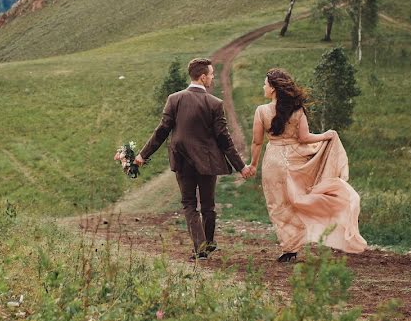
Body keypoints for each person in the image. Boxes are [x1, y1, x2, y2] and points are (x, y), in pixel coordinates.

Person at [136, 58, 253, 260]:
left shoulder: (174, 99)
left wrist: (142, 155)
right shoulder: (215, 103)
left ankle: (201, 247)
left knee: (189, 204)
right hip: (208, 162)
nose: (213, 78)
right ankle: (206, 244)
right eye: (212, 74)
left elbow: (161, 131)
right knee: (208, 205)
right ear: (202, 77)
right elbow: (224, 138)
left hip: (182, 161)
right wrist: (241, 166)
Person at [248, 68, 366, 262]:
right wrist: (326, 135)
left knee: (277, 204)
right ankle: (301, 239)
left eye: (265, 84)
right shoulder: (297, 110)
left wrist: (252, 164)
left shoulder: (262, 111)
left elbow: (257, 142)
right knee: (300, 199)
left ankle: (290, 247)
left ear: (274, 88)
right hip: (297, 159)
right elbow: (305, 138)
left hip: (273, 160)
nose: (263, 87)